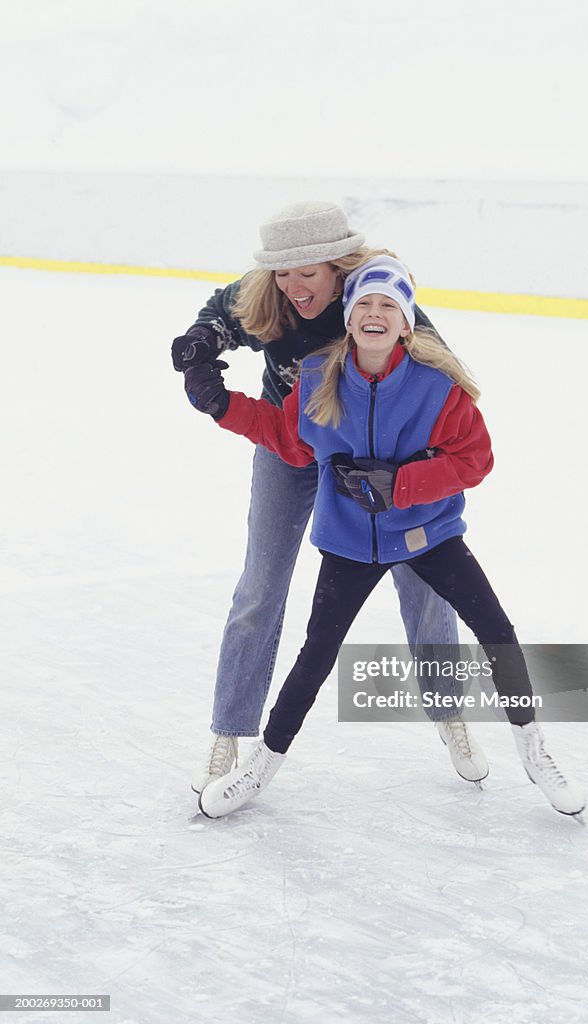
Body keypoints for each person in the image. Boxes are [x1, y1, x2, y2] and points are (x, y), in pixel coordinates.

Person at [183, 254, 586, 820]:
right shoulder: (320, 377)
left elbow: (475, 457)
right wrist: (221, 403)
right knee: (315, 657)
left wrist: (401, 484)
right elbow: (289, 440)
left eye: (389, 307)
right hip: (351, 543)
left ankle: (534, 751)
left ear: (406, 322)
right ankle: (260, 765)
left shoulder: (435, 384)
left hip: (428, 535)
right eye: (365, 304)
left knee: (496, 630)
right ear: (348, 317)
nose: (375, 314)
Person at [172, 202, 488, 793]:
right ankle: (229, 731)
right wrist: (199, 345)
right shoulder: (269, 294)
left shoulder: (378, 305)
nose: (294, 287)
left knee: (423, 582)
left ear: (338, 268)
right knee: (261, 584)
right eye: (282, 273)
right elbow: (223, 311)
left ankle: (449, 711)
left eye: (307, 274)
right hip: (293, 440)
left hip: (379, 461)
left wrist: (407, 476)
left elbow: (448, 403)